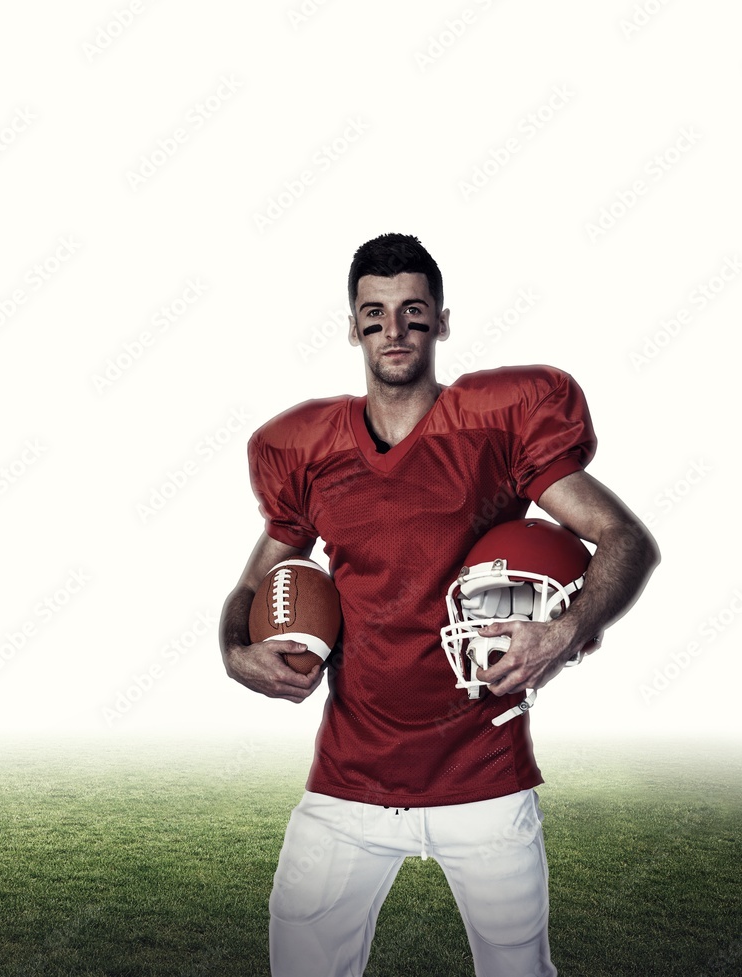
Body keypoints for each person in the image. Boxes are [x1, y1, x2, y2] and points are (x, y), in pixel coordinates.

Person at [218, 233, 659, 977]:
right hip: (350, 780)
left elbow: (624, 538)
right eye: (376, 313)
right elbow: (250, 585)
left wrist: (567, 629)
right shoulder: (309, 449)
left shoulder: (494, 425)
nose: (394, 330)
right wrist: (237, 651)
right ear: (353, 324)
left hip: (483, 771)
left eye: (413, 311)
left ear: (442, 322)